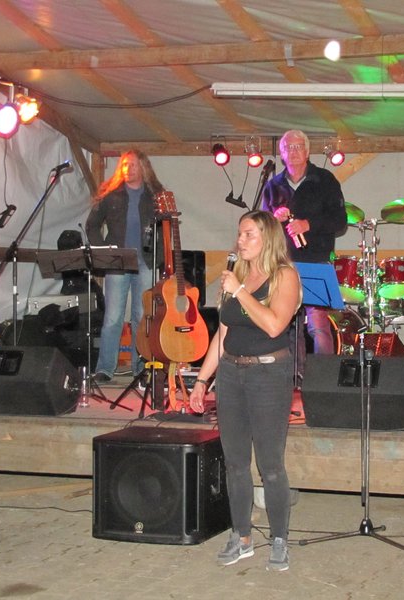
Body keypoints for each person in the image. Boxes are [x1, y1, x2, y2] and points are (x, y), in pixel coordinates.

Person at [188, 210, 301, 571]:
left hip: (268, 374)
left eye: (249, 234)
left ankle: (279, 539)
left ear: (268, 238)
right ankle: (242, 537)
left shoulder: (284, 276)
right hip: (231, 374)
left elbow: (273, 325)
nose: (241, 240)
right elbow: (223, 334)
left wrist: (239, 291)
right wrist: (202, 380)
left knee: (270, 465)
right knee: (235, 463)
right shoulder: (237, 274)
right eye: (239, 234)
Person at [261, 130, 347, 370]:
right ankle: (291, 377)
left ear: (308, 151)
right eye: (288, 147)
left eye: (298, 146)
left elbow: (340, 220)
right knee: (286, 326)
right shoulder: (273, 185)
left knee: (318, 326)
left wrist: (308, 224)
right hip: (283, 263)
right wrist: (274, 218)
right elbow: (262, 229)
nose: (294, 151)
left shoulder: (325, 180)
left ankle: (324, 377)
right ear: (281, 153)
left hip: (315, 261)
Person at [85, 149, 163, 381]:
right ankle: (105, 368)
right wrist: (103, 250)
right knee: (113, 317)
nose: (129, 169)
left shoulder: (155, 196)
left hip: (145, 262)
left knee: (142, 316)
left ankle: (140, 367)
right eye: (125, 165)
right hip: (117, 261)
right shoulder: (111, 195)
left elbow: (166, 229)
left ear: (143, 167)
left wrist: (159, 258)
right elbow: (92, 225)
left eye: (133, 165)